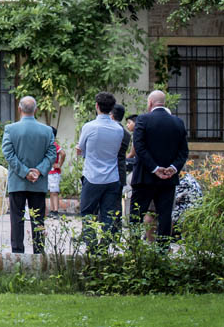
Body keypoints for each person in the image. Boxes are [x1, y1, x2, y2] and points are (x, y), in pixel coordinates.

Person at [130, 90, 189, 244]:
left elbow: (139, 147)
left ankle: (134, 248)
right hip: (168, 179)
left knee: (136, 215)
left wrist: (155, 168)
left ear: (150, 103)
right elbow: (183, 151)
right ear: (164, 103)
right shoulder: (178, 122)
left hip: (144, 177)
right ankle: (162, 250)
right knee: (165, 216)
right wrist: (173, 168)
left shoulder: (143, 119)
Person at [1, 96, 57, 254]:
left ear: (19, 109)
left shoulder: (10, 129)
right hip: (38, 182)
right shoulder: (47, 130)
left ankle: (17, 252)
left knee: (16, 219)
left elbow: (8, 154)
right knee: (38, 219)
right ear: (36, 110)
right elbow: (52, 154)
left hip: (17, 181)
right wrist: (38, 171)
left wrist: (25, 172)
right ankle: (39, 252)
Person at [77, 91, 126, 244]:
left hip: (92, 176)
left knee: (87, 212)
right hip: (112, 176)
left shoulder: (89, 127)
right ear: (112, 108)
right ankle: (104, 247)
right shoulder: (119, 129)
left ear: (97, 106)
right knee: (108, 214)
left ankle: (91, 246)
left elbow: (81, 148)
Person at [111, 103, 131, 229]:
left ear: (111, 115)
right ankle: (115, 230)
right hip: (120, 170)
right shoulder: (126, 133)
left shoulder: (111, 131)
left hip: (109, 170)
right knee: (116, 203)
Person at [47, 126, 64, 217]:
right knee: (51, 191)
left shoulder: (54, 144)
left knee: (54, 192)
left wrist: (59, 164)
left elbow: (63, 153)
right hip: (49, 172)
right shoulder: (48, 144)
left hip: (54, 172)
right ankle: (53, 210)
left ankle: (56, 211)